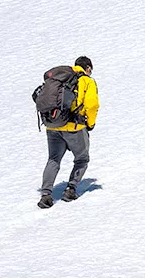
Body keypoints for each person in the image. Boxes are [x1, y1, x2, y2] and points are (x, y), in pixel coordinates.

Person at [38, 56, 99, 209]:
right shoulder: (87, 81)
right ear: (88, 68)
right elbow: (92, 105)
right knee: (82, 159)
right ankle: (70, 189)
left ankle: (46, 195)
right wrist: (90, 124)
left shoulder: (61, 78)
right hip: (74, 127)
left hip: (53, 125)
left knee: (53, 159)